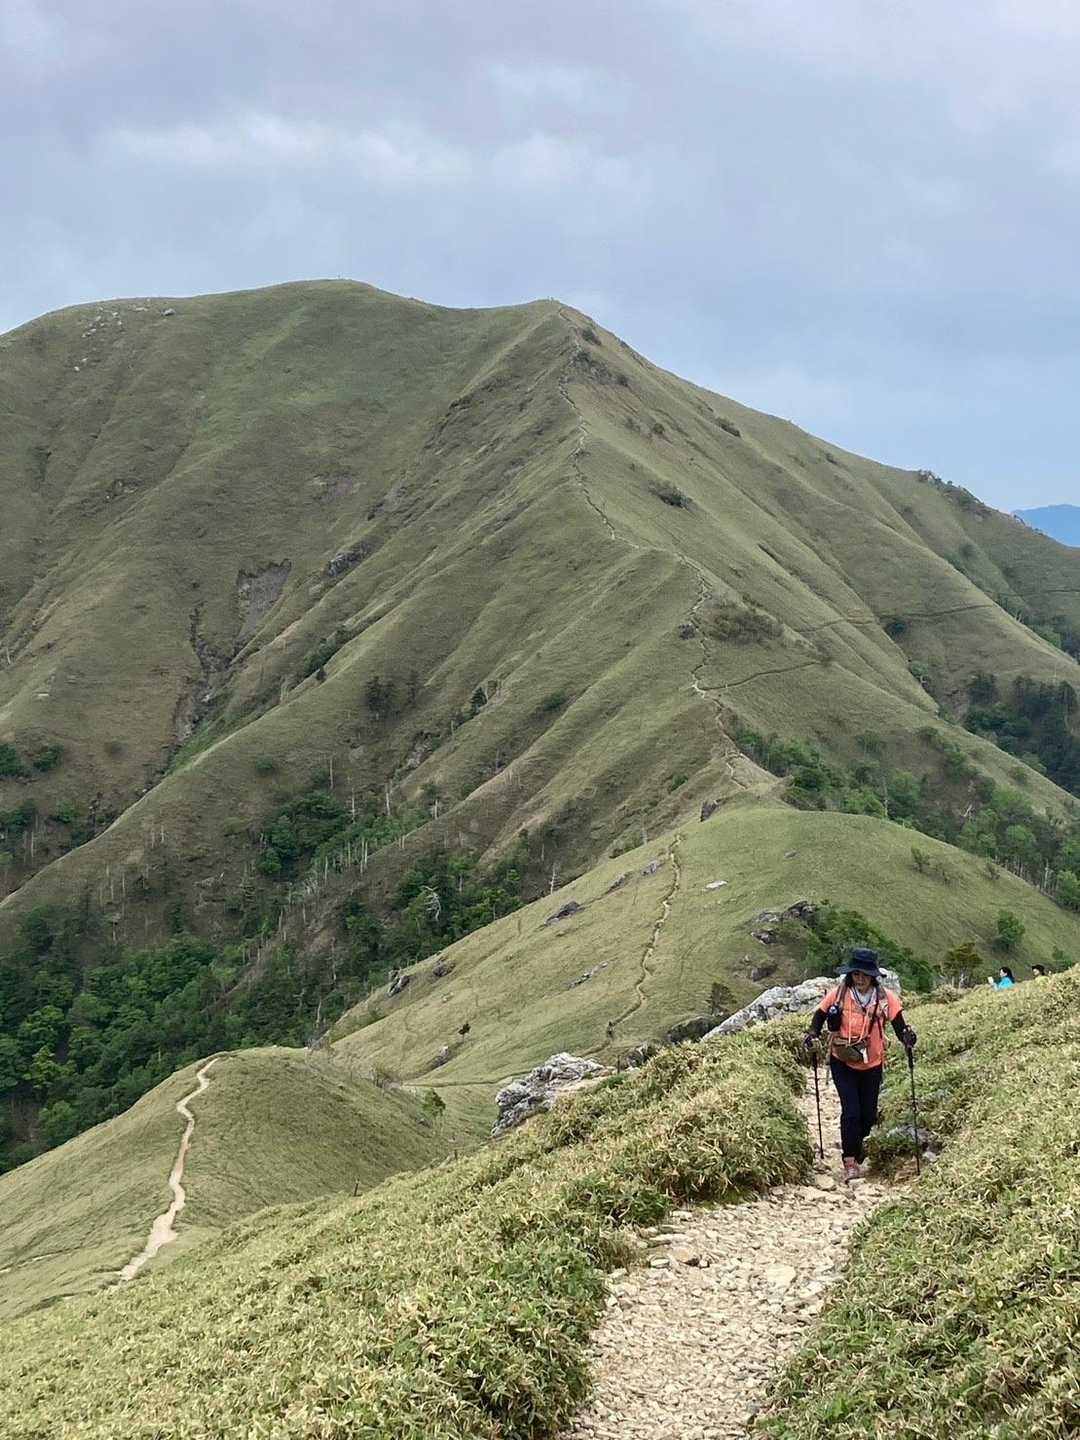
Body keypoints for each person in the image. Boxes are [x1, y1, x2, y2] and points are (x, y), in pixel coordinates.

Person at [803, 948, 916, 1181]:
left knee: (868, 1115)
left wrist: (907, 1037)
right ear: (850, 974)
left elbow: (899, 1025)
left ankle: (860, 1146)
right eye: (856, 974)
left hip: (872, 1063)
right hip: (842, 1060)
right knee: (851, 1111)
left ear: (873, 976)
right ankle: (850, 1160)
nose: (860, 979)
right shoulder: (839, 994)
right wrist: (812, 1034)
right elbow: (820, 1015)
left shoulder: (885, 998)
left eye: (865, 974)